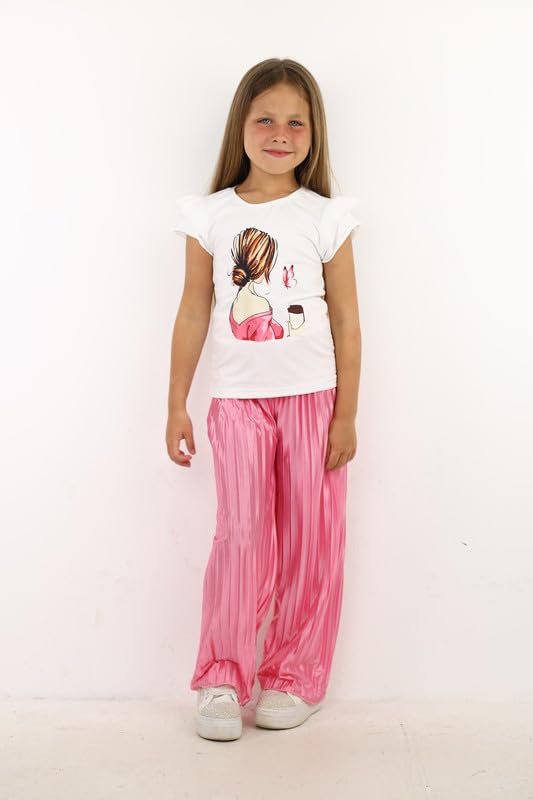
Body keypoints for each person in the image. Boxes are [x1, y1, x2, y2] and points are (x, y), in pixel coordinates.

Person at [167, 57, 362, 741]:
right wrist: (176, 402)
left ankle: (294, 675)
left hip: (313, 400)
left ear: (313, 132)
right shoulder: (210, 215)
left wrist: (346, 414)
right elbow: (194, 309)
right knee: (241, 534)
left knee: (312, 538)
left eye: (295, 122)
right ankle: (223, 676)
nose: (280, 134)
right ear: (241, 126)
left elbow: (346, 319)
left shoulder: (325, 217)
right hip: (237, 402)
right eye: (266, 119)